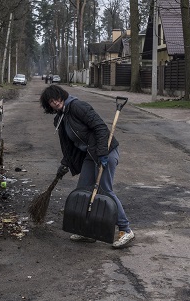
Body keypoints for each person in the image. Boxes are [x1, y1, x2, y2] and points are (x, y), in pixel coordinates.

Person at [39, 84, 135, 248]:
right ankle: (88, 231)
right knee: (83, 189)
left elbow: (100, 128)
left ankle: (126, 230)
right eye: (51, 101)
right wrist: (65, 164)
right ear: (48, 105)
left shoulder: (77, 106)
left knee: (104, 189)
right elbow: (69, 147)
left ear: (62, 95)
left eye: (56, 98)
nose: (55, 102)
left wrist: (103, 153)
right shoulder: (61, 118)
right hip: (91, 155)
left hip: (106, 151)